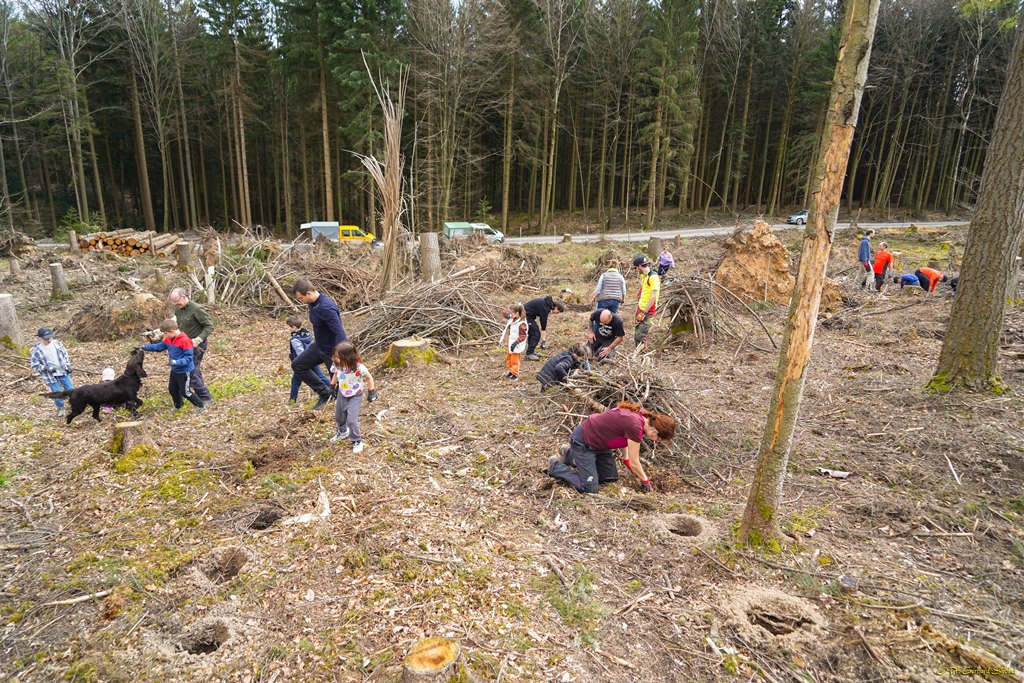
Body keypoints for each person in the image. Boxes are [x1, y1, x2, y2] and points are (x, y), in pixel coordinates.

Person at [547, 400, 676, 494]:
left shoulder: (642, 418)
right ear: (655, 432)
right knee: (590, 488)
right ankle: (555, 466)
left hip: (601, 446)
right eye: (658, 439)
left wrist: (625, 457)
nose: (656, 441)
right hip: (584, 442)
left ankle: (570, 454)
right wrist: (645, 481)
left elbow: (623, 435)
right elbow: (635, 462)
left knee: (609, 478)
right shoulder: (636, 425)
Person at [291, 279, 348, 409]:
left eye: (301, 298)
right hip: (319, 346)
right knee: (298, 365)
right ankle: (325, 393)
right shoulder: (313, 304)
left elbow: (340, 333)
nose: (301, 301)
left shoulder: (326, 307)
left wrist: (339, 355)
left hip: (332, 351)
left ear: (309, 293)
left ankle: (340, 408)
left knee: (340, 384)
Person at [142, 318, 205, 412]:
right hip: (175, 370)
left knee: (185, 392)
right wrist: (144, 347)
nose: (165, 336)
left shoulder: (185, 340)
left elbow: (188, 358)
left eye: (166, 333)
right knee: (173, 390)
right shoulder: (169, 339)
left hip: (185, 371)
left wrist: (176, 362)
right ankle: (179, 407)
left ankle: (201, 406)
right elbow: (159, 347)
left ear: (172, 331)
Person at [328, 341, 377, 454]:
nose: (335, 359)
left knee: (351, 420)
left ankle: (356, 440)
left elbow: (369, 378)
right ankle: (343, 432)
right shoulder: (337, 365)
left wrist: (371, 391)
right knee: (339, 417)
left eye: (337, 357)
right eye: (334, 356)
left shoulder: (359, 367)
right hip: (342, 393)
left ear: (347, 357)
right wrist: (332, 386)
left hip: (355, 395)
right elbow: (336, 374)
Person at [168, 288, 214, 406]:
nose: (175, 304)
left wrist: (198, 340)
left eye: (176, 301)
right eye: (173, 302)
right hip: (184, 345)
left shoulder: (197, 309)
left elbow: (209, 326)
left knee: (191, 371)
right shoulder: (179, 310)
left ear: (184, 297)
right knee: (180, 371)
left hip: (197, 345)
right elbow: (179, 326)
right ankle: (182, 399)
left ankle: (206, 398)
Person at [29, 327, 74, 417]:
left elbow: (65, 354)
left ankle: (75, 404)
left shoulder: (57, 344)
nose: (49, 340)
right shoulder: (36, 350)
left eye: (51, 337)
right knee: (57, 392)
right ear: (40, 338)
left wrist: (68, 365)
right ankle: (60, 408)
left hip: (62, 371)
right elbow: (34, 365)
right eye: (47, 339)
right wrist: (45, 368)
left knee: (71, 389)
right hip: (50, 375)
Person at [286, 315, 330, 403]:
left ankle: (292, 400)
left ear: (294, 327)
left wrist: (298, 360)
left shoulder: (295, 339)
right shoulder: (306, 334)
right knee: (321, 376)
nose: (287, 329)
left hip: (303, 363)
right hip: (313, 359)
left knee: (295, 381)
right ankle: (334, 387)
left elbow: (301, 353)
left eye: (288, 327)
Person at [523, 295, 566, 360]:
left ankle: (531, 351)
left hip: (529, 317)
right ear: (556, 307)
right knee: (536, 333)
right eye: (558, 312)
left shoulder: (546, 303)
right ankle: (529, 354)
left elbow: (543, 323)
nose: (557, 313)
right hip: (525, 316)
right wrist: (543, 339)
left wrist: (543, 339)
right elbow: (543, 321)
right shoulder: (545, 307)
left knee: (533, 333)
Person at [632, 255, 661, 350]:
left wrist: (643, 313)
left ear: (639, 266)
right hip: (640, 308)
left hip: (648, 311)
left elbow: (653, 296)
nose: (636, 270)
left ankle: (640, 355)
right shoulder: (644, 276)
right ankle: (639, 351)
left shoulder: (653, 277)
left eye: (636, 268)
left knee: (640, 335)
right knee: (637, 333)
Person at [499, 302, 528, 381]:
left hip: (516, 345)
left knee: (515, 360)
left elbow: (523, 336)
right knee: (509, 358)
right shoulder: (513, 319)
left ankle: (515, 374)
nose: (510, 315)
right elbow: (505, 314)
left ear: (517, 313)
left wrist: (516, 343)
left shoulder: (522, 324)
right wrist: (506, 312)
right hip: (510, 343)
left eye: (511, 313)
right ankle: (511, 371)